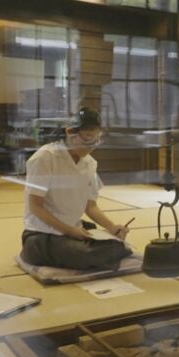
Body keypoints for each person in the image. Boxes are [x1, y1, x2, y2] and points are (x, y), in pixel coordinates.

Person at [20, 107, 132, 270]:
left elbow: (90, 206)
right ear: (70, 133)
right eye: (88, 138)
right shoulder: (46, 157)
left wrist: (112, 227)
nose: (92, 145)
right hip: (42, 235)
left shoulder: (90, 163)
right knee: (86, 254)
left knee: (115, 245)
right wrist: (70, 231)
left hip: (74, 230)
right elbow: (35, 206)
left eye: (97, 140)